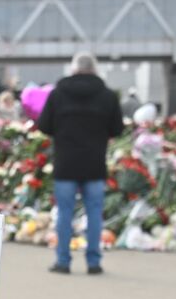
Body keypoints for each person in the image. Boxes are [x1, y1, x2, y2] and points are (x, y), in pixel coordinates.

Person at [37, 52, 125, 275]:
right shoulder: (107, 96)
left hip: (66, 163)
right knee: (94, 213)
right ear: (95, 69)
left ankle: (63, 261)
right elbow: (117, 129)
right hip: (94, 163)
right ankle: (93, 262)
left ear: (73, 69)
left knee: (65, 213)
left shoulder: (58, 94)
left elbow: (44, 125)